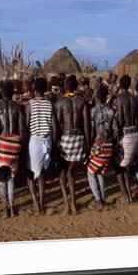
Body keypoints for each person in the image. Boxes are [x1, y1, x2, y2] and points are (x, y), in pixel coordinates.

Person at [54, 75, 90, 214]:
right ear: (76, 87)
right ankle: (73, 204)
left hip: (66, 138)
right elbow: (86, 125)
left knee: (62, 172)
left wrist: (56, 142)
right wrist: (86, 144)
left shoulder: (60, 102)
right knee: (71, 171)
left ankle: (67, 204)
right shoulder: (82, 101)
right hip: (79, 138)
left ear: (65, 86)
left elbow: (57, 125)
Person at [0, 80, 25, 218]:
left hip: (3, 142)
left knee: (2, 175)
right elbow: (22, 129)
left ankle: (5, 207)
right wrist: (20, 145)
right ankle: (12, 207)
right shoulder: (18, 106)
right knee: (12, 175)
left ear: (1, 92)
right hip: (15, 142)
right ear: (13, 92)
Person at [25, 77, 57, 214]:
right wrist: (54, 144)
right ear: (44, 90)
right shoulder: (50, 104)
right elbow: (55, 126)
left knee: (30, 174)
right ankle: (42, 204)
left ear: (35, 89)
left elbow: (26, 125)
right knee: (42, 173)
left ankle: (36, 205)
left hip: (35, 141)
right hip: (47, 141)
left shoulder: (29, 104)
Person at [86, 86, 117, 210]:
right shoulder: (111, 111)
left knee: (90, 172)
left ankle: (99, 201)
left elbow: (92, 131)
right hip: (109, 145)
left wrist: (89, 147)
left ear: (97, 97)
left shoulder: (93, 111)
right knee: (99, 172)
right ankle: (102, 198)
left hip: (98, 145)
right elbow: (115, 130)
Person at [115, 75, 138, 203]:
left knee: (118, 167)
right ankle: (129, 195)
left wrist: (117, 136)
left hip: (125, 134)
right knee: (126, 165)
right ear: (129, 84)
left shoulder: (120, 99)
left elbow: (119, 120)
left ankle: (126, 196)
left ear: (120, 84)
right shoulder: (135, 98)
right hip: (135, 133)